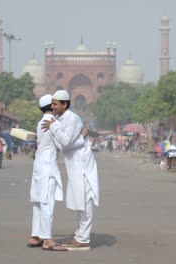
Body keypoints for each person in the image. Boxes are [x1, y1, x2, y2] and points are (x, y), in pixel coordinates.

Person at [42, 90, 99, 251]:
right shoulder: (60, 119)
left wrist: (53, 127)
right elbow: (61, 143)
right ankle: (79, 237)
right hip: (74, 165)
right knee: (79, 201)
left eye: (55, 104)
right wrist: (81, 138)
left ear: (64, 104)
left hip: (82, 165)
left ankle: (83, 239)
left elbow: (65, 143)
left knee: (85, 201)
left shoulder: (71, 118)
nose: (52, 106)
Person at [28, 94, 68, 251]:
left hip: (39, 165)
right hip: (48, 167)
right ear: (52, 106)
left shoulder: (40, 123)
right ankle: (47, 240)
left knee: (38, 202)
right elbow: (63, 143)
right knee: (47, 202)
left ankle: (35, 236)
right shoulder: (53, 123)